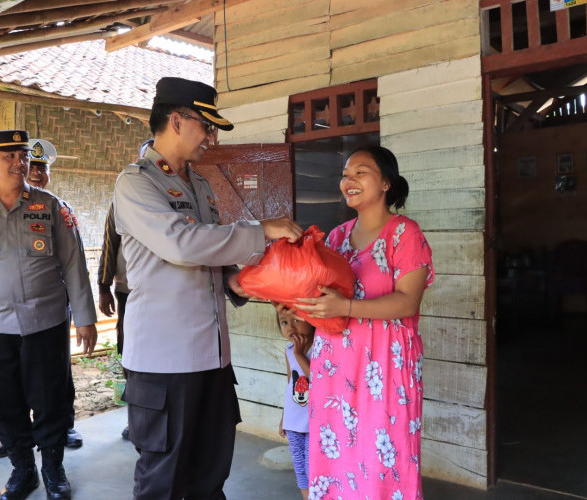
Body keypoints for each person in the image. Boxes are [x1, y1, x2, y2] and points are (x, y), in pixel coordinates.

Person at [114, 77, 303, 499]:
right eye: (207, 125)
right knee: (163, 481)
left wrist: (244, 281)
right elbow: (182, 245)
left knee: (210, 475)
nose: (211, 137)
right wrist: (261, 230)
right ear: (177, 121)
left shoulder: (199, 184)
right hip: (164, 362)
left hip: (212, 358)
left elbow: (208, 260)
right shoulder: (137, 184)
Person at [0, 130, 98, 500]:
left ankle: (53, 469)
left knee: (50, 398)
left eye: (23, 155)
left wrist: (85, 318)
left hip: (46, 322)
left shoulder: (52, 207)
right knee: (5, 401)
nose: (18, 163)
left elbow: (75, 265)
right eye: (9, 155)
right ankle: (22, 470)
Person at [294, 146, 434, 499]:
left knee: (384, 454)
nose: (348, 180)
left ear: (386, 182)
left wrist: (346, 306)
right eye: (345, 174)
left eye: (360, 172)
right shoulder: (337, 237)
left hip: (385, 366)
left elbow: (407, 301)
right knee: (338, 451)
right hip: (336, 365)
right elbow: (325, 296)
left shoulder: (404, 233)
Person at [0, 138, 83, 459]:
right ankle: (17, 436)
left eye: (43, 169)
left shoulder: (56, 207)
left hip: (53, 303)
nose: (39, 175)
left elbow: (74, 261)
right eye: (36, 168)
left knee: (55, 371)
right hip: (9, 310)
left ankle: (64, 425)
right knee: (9, 376)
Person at [98, 138, 153, 441]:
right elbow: (110, 241)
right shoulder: (123, 197)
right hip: (128, 290)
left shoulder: (174, 196)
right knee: (129, 353)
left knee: (159, 357)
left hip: (164, 294)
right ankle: (135, 419)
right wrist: (104, 286)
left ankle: (157, 417)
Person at [276, 308, 314, 500]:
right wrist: (284, 417)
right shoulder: (289, 351)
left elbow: (318, 378)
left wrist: (300, 355)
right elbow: (291, 383)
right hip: (294, 420)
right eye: (284, 322)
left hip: (314, 421)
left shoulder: (320, 347)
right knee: (300, 467)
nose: (290, 327)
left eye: (297, 320)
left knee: (311, 466)